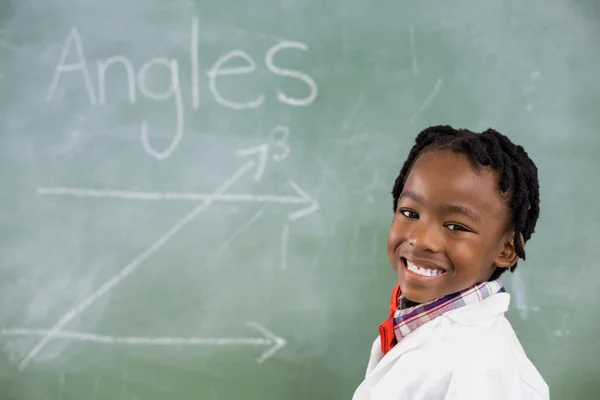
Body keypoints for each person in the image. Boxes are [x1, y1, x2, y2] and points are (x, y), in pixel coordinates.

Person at [352, 125, 549, 399]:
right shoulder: (415, 324)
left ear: (507, 250)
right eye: (409, 212)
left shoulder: (486, 376)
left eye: (456, 227)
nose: (421, 240)